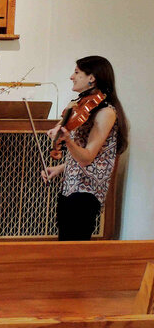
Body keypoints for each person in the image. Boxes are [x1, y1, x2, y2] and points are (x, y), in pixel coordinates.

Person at [43, 56, 128, 241]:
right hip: (71, 187)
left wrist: (68, 141)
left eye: (76, 72)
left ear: (92, 78)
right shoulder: (83, 107)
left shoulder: (106, 112)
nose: (71, 77)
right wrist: (60, 168)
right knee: (65, 245)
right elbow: (81, 154)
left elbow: (88, 157)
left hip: (86, 193)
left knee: (74, 251)